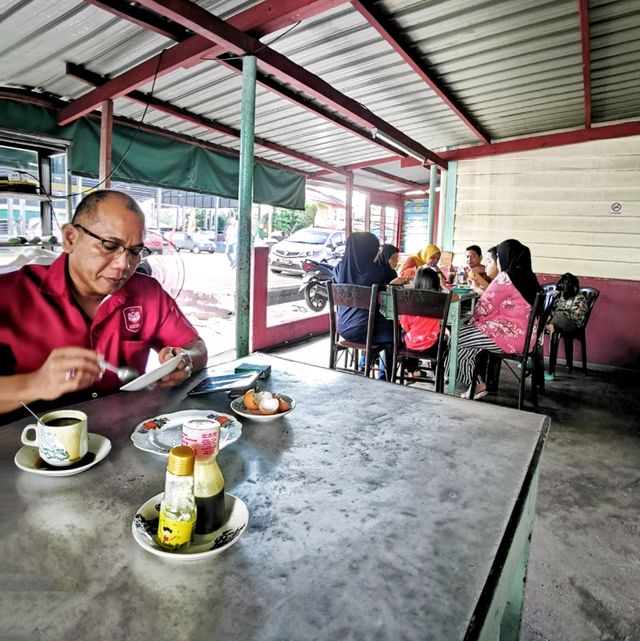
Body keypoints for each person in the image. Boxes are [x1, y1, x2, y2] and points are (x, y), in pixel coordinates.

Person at [0, 189, 208, 418]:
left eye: (135, 251)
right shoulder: (9, 295)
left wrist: (185, 361)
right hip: (32, 445)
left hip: (124, 436)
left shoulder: (147, 293)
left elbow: (196, 347)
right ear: (70, 238)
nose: (123, 265)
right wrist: (34, 384)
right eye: (109, 245)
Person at [453, 239, 540, 399]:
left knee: (458, 338)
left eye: (497, 257)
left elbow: (485, 304)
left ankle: (475, 384)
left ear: (506, 257)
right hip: (526, 337)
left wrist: (474, 318)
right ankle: (473, 381)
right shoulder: (529, 277)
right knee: (468, 342)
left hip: (509, 336)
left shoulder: (507, 277)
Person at [333, 232, 395, 379]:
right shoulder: (374, 272)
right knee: (396, 333)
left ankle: (362, 367)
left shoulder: (338, 268)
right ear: (368, 250)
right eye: (375, 248)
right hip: (365, 331)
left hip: (342, 328)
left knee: (370, 324)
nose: (377, 252)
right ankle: (383, 377)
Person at [400, 267, 445, 377]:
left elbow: (404, 326)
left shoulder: (409, 304)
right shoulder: (440, 302)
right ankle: (438, 371)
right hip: (432, 347)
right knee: (444, 341)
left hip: (411, 346)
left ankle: (411, 370)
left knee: (407, 338)